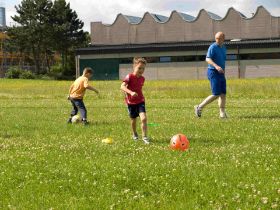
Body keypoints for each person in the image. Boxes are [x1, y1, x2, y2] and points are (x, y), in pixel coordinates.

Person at [194, 32, 228, 118]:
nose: (217, 40)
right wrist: (216, 67)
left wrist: (223, 70)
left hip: (221, 73)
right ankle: (199, 107)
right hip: (213, 72)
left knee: (223, 94)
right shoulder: (213, 47)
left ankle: (222, 114)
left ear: (223, 39)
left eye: (219, 39)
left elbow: (222, 61)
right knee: (216, 94)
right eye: (216, 39)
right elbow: (208, 59)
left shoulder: (224, 48)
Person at [121, 57, 150, 144]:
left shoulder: (142, 78)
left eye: (143, 68)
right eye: (139, 68)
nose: (141, 70)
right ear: (134, 67)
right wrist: (131, 92)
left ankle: (145, 137)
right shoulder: (129, 76)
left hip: (140, 101)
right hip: (131, 102)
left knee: (144, 119)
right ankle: (134, 133)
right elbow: (122, 86)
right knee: (133, 120)